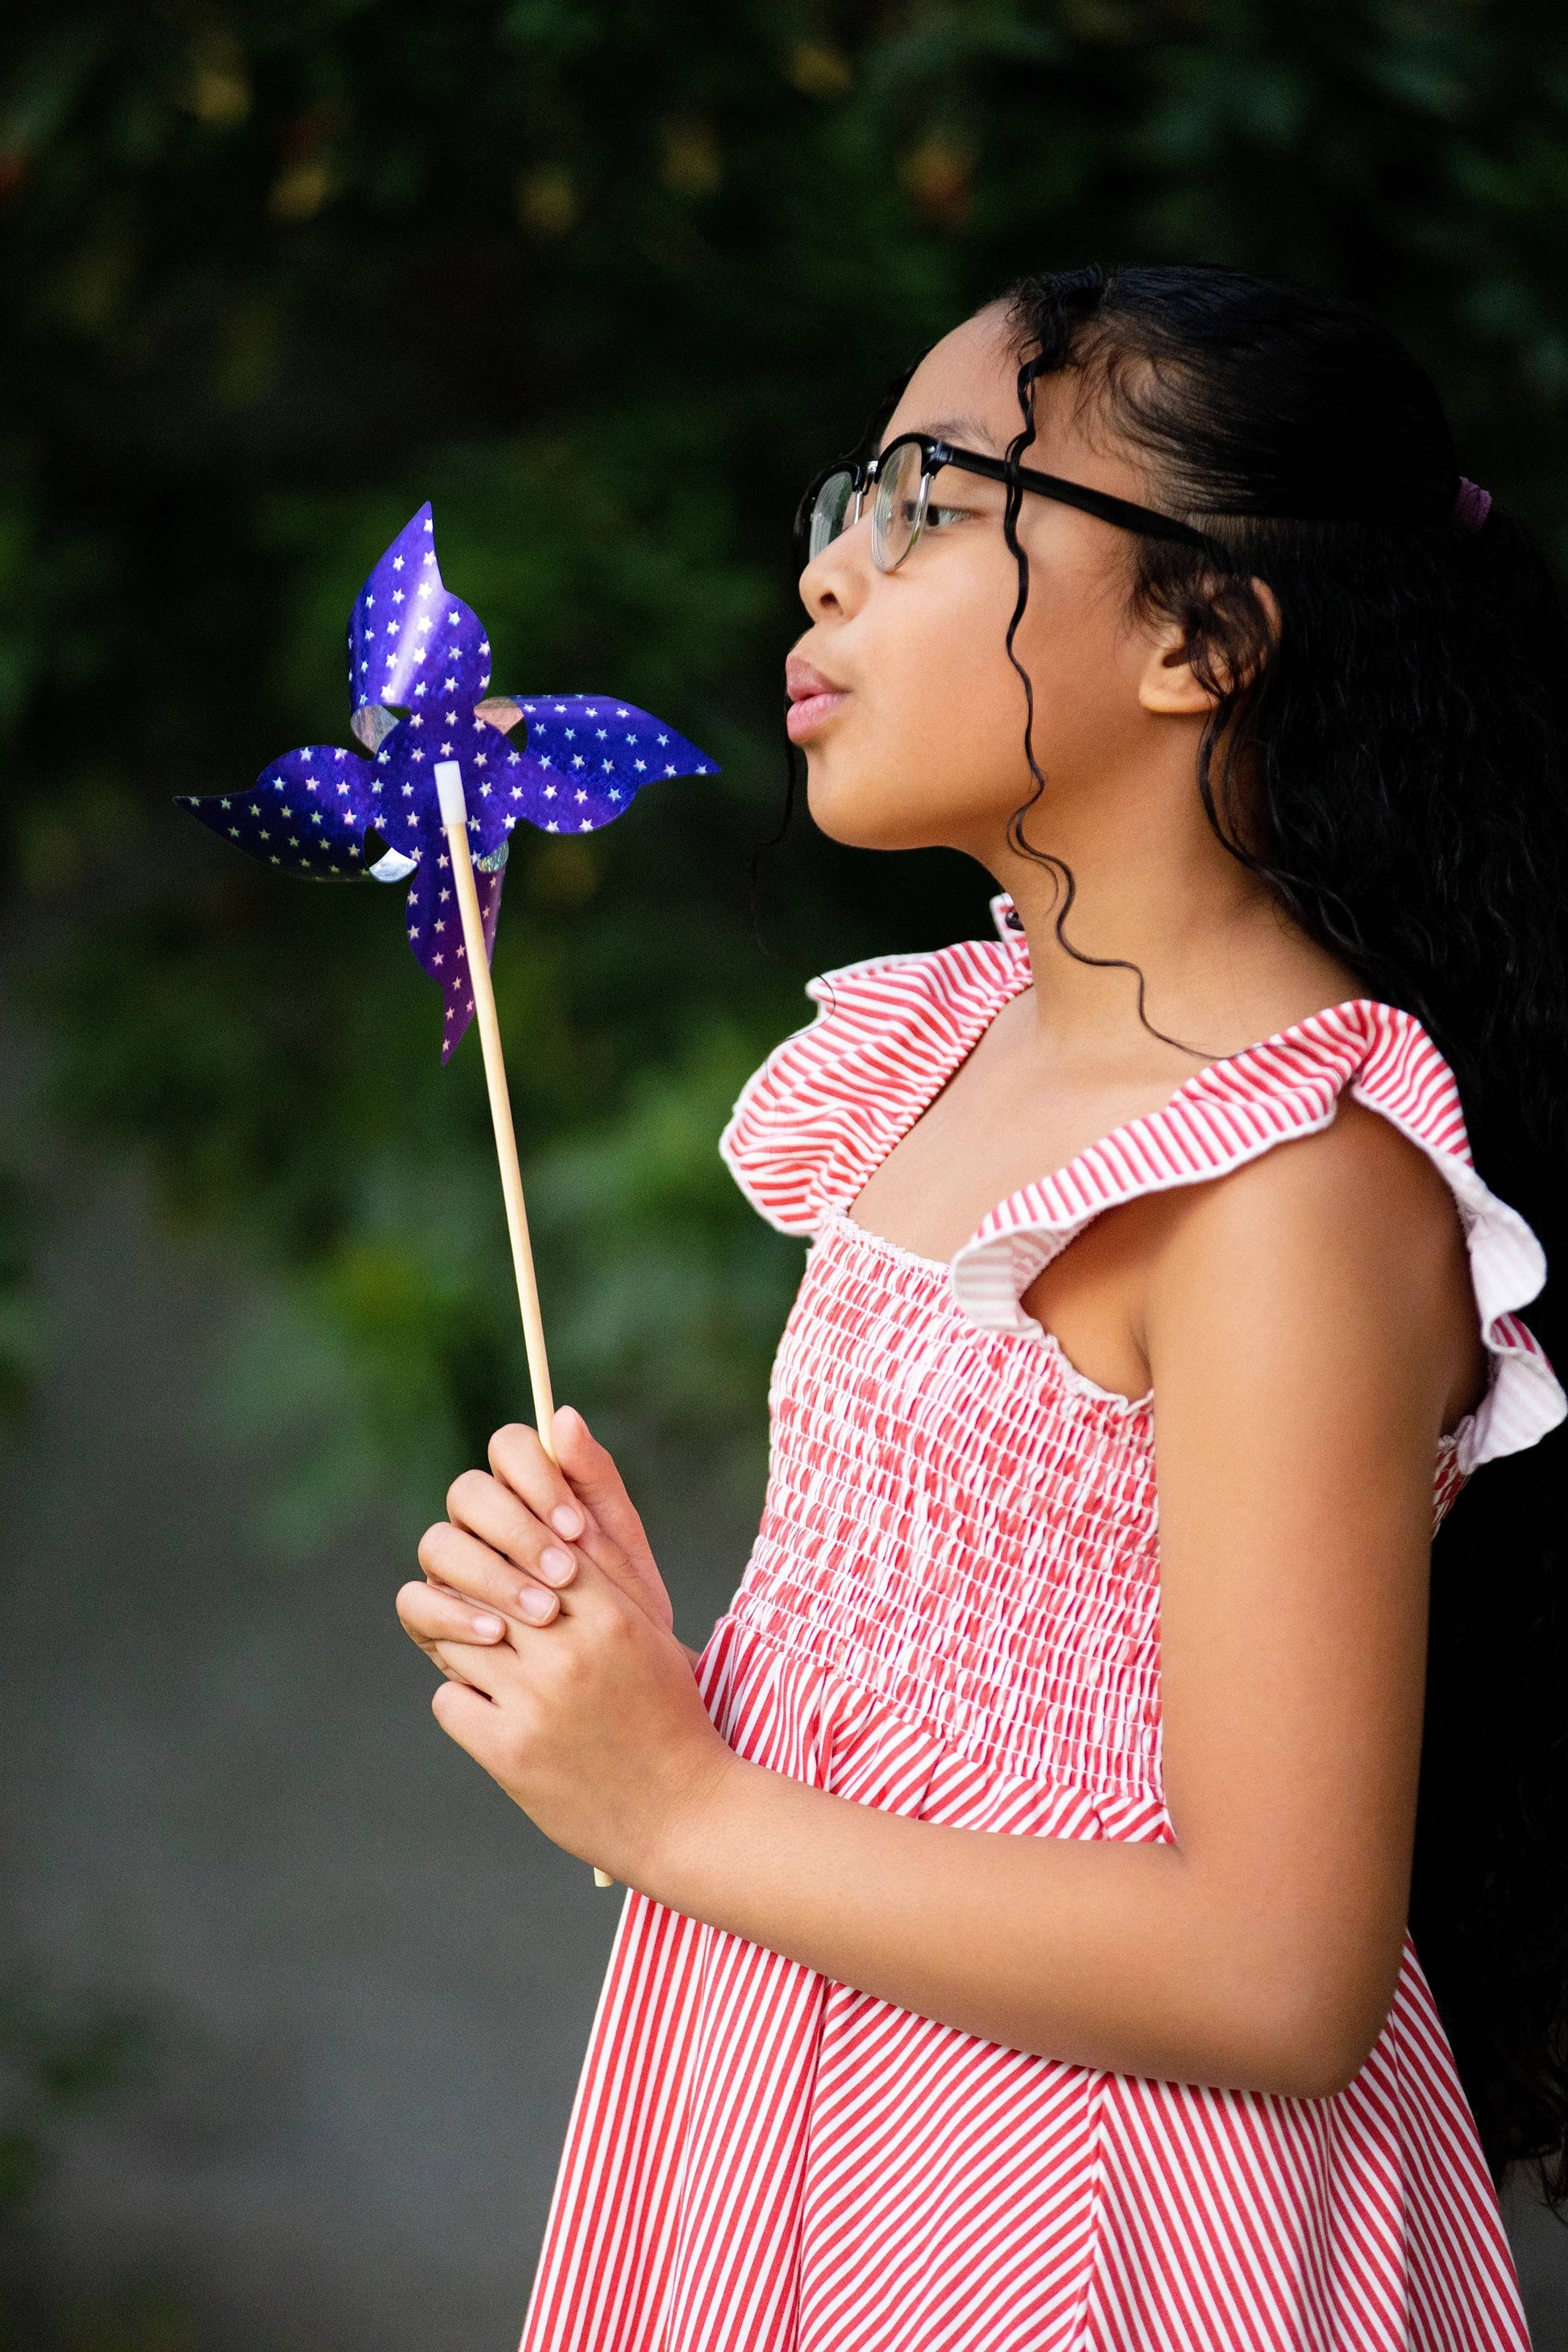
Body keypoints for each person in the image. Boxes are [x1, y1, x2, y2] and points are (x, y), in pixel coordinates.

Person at [396, 263, 1568, 2350]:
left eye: (927, 499)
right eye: (843, 497)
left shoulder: (1290, 1188)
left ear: (1204, 634)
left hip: (1091, 2210)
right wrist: (639, 1699)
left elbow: (1276, 1977)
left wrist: (671, 1805)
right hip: (804, 2090)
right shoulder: (951, 1051)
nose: (829, 565)